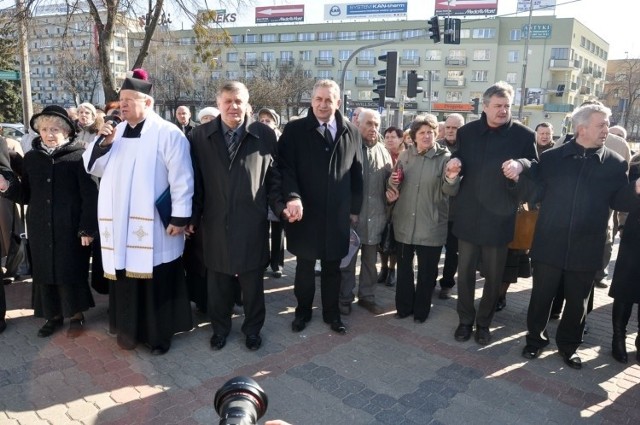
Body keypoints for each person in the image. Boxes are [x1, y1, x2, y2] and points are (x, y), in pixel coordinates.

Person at [513, 103, 640, 369]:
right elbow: (532, 188)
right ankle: (535, 341)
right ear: (582, 128)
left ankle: (568, 347)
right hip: (549, 243)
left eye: (607, 124)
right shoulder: (553, 159)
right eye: (601, 124)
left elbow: (619, 201)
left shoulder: (615, 164)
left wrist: (635, 189)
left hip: (587, 247)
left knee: (577, 304)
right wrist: (519, 169)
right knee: (540, 298)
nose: (607, 129)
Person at [83, 69, 194, 355]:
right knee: (125, 278)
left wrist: (180, 217)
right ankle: (128, 331)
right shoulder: (114, 132)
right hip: (119, 224)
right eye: (122, 99)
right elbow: (91, 166)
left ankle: (159, 337)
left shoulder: (167, 132)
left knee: (155, 279)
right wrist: (102, 143)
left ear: (148, 103)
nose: (124, 104)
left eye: (131, 99)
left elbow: (182, 177)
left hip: (155, 224)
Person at [189, 82, 287, 351]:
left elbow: (273, 179)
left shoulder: (264, 134)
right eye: (228, 101)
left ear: (248, 105)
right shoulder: (200, 135)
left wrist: (281, 208)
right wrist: (191, 218)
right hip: (214, 222)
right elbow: (194, 182)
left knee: (252, 284)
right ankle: (220, 329)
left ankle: (252, 330)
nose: (234, 106)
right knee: (217, 283)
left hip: (251, 223)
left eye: (239, 101)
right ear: (219, 104)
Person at [446, 81, 537, 346]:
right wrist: (455, 165)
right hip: (468, 215)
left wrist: (520, 165)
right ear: (484, 107)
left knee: (494, 276)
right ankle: (465, 320)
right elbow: (460, 160)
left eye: (507, 106)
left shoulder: (523, 135)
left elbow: (534, 166)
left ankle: (483, 323)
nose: (503, 111)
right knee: (464, 275)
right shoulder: (468, 132)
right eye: (497, 106)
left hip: (500, 217)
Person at [0, 105, 98, 338]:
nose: (49, 134)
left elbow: (90, 195)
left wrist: (87, 227)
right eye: (44, 129)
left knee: (70, 269)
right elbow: (26, 194)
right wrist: (8, 187)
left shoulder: (79, 155)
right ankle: (52, 316)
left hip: (70, 227)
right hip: (40, 227)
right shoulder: (32, 158)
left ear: (66, 131)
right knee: (44, 272)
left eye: (54, 129)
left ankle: (75, 314)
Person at [278, 79, 363, 335]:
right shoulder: (294, 131)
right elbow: (285, 169)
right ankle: (302, 312)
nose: (323, 105)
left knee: (332, 268)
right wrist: (292, 196)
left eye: (329, 100)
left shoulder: (351, 131)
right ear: (311, 101)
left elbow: (357, 173)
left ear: (338, 102)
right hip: (305, 213)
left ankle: (332, 313)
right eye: (318, 99)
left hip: (337, 214)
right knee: (304, 268)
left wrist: (354, 208)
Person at [386, 114, 460, 322]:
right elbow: (394, 185)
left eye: (431, 132)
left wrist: (452, 178)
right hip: (404, 223)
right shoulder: (405, 156)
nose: (427, 136)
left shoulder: (445, 159)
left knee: (427, 274)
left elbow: (450, 191)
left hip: (431, 225)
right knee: (405, 271)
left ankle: (421, 311)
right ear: (414, 136)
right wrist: (392, 185)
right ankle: (403, 308)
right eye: (422, 132)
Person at [339, 109, 391, 316]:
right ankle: (344, 298)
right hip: (351, 218)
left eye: (376, 124)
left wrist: (392, 185)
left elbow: (389, 181)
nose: (373, 128)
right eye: (369, 123)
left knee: (370, 263)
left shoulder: (383, 150)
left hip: (375, 217)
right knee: (348, 262)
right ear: (358, 125)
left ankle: (367, 297)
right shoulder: (348, 148)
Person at [609, 151, 640, 364]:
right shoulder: (636, 165)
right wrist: (636, 188)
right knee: (626, 290)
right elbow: (619, 201)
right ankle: (618, 338)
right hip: (635, 239)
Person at [437, 113, 464, 299]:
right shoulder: (436, 147)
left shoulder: (467, 149)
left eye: (455, 128)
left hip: (457, 212)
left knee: (452, 252)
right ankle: (428, 280)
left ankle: (447, 283)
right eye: (448, 127)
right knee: (432, 249)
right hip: (436, 208)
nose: (450, 131)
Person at [257, 107, 285, 278]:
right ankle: (262, 262)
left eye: (268, 120)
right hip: (260, 191)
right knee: (260, 230)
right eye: (262, 120)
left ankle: (277, 264)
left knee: (277, 231)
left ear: (275, 123)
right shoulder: (255, 138)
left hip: (278, 191)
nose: (265, 122)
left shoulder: (283, 140)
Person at [377, 126, 405, 287]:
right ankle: (383, 268)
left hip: (400, 204)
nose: (389, 139)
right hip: (383, 202)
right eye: (386, 136)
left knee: (394, 238)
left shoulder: (405, 156)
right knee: (382, 237)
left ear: (401, 139)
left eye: (393, 137)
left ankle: (392, 270)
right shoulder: (381, 153)